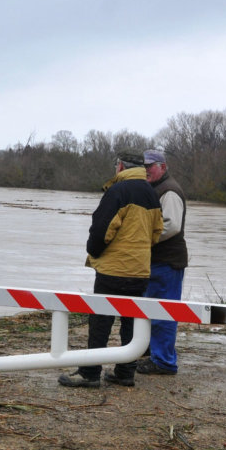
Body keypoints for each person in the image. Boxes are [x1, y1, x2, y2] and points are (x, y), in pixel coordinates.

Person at [58, 150, 163, 388]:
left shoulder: (117, 191)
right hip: (140, 271)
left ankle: (90, 373)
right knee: (131, 322)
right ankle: (126, 372)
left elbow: (101, 231)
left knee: (100, 322)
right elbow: (157, 232)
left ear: (120, 167)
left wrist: (93, 251)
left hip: (114, 269)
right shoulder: (151, 193)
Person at [136, 149, 188, 375]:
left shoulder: (169, 191)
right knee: (150, 309)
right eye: (144, 167)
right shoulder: (155, 188)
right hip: (156, 260)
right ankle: (152, 353)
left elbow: (172, 225)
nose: (146, 170)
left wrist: (141, 239)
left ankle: (164, 361)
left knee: (163, 312)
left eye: (151, 166)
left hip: (167, 262)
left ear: (163, 167)